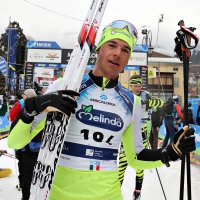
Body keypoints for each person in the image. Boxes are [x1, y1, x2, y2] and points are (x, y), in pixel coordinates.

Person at [7, 20, 196, 200]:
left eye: (125, 50)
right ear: (98, 49)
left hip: (109, 194)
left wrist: (171, 152)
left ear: (129, 58)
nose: (118, 54)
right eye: (112, 45)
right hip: (60, 193)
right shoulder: (65, 87)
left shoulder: (132, 102)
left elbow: (135, 158)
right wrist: (34, 106)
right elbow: (16, 142)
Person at [118, 74, 163, 200]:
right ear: (130, 86)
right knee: (122, 165)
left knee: (139, 166)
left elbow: (160, 103)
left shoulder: (145, 95)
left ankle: (137, 193)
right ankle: (116, 191)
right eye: (135, 86)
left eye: (139, 85)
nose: (137, 88)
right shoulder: (126, 95)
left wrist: (148, 101)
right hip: (127, 135)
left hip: (141, 135)